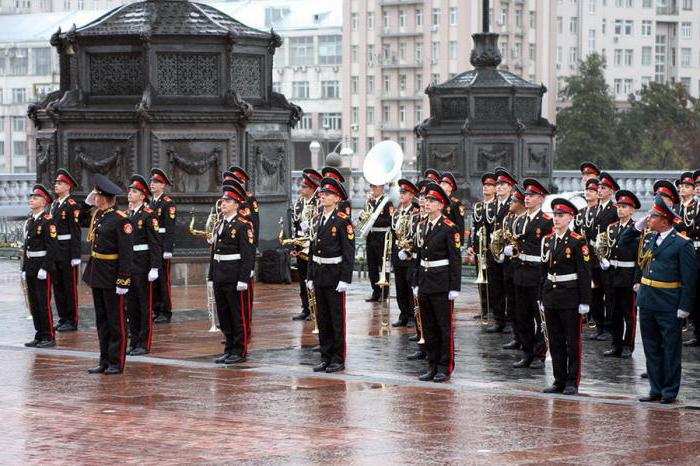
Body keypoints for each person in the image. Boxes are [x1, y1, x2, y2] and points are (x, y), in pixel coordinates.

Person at [635, 195, 697, 404]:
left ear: (664, 220)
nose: (649, 219)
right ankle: (656, 388)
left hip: (669, 302)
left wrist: (685, 307)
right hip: (647, 301)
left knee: (669, 349)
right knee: (651, 348)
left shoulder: (681, 243)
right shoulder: (649, 238)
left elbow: (689, 278)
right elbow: (625, 243)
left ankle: (669, 391)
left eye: (652, 216)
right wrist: (637, 226)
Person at [82, 174, 133, 374]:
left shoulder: (120, 220)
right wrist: (86, 205)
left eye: (96, 196)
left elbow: (126, 253)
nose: (94, 198)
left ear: (104, 198)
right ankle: (104, 359)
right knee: (102, 320)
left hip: (112, 275)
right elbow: (79, 220)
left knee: (116, 320)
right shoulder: (99, 215)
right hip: (97, 273)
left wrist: (123, 279)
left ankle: (116, 361)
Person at [541, 198, 591, 395]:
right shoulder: (548, 240)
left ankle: (572, 381)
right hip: (551, 295)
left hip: (570, 295)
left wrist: (585, 301)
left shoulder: (578, 241)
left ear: (570, 218)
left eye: (561, 216)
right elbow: (543, 270)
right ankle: (559, 379)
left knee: (572, 341)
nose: (556, 219)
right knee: (555, 341)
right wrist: (541, 295)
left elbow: (585, 273)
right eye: (555, 215)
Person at [413, 182, 462, 382]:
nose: (427, 203)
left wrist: (454, 287)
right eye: (426, 200)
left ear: (441, 205)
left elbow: (455, 259)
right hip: (425, 280)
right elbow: (418, 255)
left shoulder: (449, 228)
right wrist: (415, 281)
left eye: (432, 201)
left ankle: (444, 366)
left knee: (443, 327)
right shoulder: (421, 225)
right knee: (428, 327)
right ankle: (432, 365)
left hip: (441, 282)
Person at [307, 177, 355, 373]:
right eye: (322, 194)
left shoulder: (343, 221)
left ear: (337, 198)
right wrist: (310, 275)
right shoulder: (318, 218)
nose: (322, 196)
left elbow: (348, 252)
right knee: (323, 318)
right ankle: (325, 356)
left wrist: (345, 278)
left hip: (335, 275)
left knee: (336, 318)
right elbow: (312, 249)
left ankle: (338, 358)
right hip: (319, 273)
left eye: (327, 194)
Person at [208, 181, 256, 364]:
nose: (223, 204)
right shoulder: (220, 223)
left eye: (227, 201)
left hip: (235, 275)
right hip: (221, 274)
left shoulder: (243, 224)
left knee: (238, 314)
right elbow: (214, 252)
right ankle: (229, 348)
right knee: (224, 314)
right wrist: (211, 275)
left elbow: (248, 254)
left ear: (237, 204)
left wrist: (244, 278)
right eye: (222, 201)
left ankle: (239, 350)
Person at [506, 178, 551, 369]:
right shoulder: (519, 220)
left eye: (532, 196)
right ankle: (526, 351)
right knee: (521, 316)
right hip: (520, 273)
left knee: (539, 316)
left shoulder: (546, 221)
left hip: (537, 273)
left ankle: (539, 354)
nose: (527, 198)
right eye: (526, 195)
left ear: (541, 199)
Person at [600, 190, 641, 359]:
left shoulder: (637, 229)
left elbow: (639, 257)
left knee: (628, 314)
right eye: (619, 206)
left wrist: (637, 279)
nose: (620, 210)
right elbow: (605, 248)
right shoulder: (611, 227)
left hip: (627, 275)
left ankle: (627, 345)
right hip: (612, 276)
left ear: (632, 210)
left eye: (624, 207)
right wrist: (603, 259)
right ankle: (616, 344)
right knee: (613, 313)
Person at [125, 175, 161, 356]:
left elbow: (155, 243)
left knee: (144, 305)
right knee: (131, 306)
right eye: (130, 191)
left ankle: (143, 343)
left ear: (143, 196)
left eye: (134, 192)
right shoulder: (128, 214)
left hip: (143, 264)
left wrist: (155, 267)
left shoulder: (148, 215)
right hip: (130, 265)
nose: (130, 194)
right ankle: (134, 340)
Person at [23, 184, 58, 348]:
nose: (32, 200)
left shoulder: (48, 221)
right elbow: (26, 246)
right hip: (30, 265)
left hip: (41, 266)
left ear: (44, 202)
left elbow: (52, 247)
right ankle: (39, 334)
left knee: (43, 302)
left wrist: (45, 268)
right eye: (31, 197)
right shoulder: (31, 220)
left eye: (35, 197)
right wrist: (24, 268)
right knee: (34, 302)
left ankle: (49, 335)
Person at [484, 168, 516, 333]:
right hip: (493, 250)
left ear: (510, 187)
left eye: (503, 184)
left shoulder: (514, 204)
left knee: (509, 286)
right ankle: (498, 319)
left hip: (509, 251)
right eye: (497, 184)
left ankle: (511, 320)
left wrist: (508, 248)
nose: (499, 187)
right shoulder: (491, 205)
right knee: (495, 286)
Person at [50, 169, 82, 332]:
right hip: (56, 251)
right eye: (56, 182)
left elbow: (75, 232)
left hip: (67, 251)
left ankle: (72, 319)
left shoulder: (72, 206)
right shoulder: (55, 204)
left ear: (68, 186)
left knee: (69, 287)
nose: (56, 185)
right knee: (58, 286)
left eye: (60, 183)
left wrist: (75, 255)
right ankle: (63, 317)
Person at [228, 166, 258, 336]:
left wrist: (251, 260)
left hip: (243, 252)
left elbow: (254, 229)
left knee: (244, 298)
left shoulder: (247, 201)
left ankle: (244, 327)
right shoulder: (225, 203)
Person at [590, 171, 619, 341]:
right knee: (595, 292)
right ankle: (599, 325)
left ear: (611, 191)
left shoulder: (614, 209)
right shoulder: (593, 209)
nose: (599, 190)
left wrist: (607, 256)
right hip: (594, 256)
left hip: (607, 257)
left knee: (609, 293)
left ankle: (609, 327)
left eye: (604, 188)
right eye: (599, 187)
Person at [291, 169, 320, 321]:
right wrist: (294, 247)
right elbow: (295, 225)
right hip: (301, 245)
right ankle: (306, 308)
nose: (301, 189)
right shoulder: (299, 203)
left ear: (312, 188)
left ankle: (315, 308)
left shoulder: (319, 202)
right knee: (303, 279)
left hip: (313, 246)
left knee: (312, 278)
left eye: (304, 187)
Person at [467, 173, 497, 320]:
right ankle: (484, 307)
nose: (486, 188)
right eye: (485, 185)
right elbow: (473, 226)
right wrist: (470, 244)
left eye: (490, 185)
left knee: (492, 280)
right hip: (479, 247)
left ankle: (493, 308)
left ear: (495, 189)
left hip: (491, 248)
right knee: (481, 280)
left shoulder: (496, 205)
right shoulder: (478, 205)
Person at [391, 179, 420, 327]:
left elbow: (415, 235)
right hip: (398, 254)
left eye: (405, 192)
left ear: (412, 195)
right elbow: (393, 235)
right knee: (400, 286)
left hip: (409, 256)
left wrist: (408, 251)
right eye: (400, 192)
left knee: (409, 285)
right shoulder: (396, 214)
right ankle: (403, 314)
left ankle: (411, 316)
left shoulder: (416, 214)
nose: (401, 195)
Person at [500, 185, 526, 351]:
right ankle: (517, 337)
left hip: (522, 267)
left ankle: (525, 339)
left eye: (514, 200)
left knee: (523, 308)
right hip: (509, 266)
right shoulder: (509, 218)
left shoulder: (525, 219)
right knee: (512, 305)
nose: (511, 202)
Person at [149, 168, 176, 324]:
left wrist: (168, 249)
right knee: (154, 280)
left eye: (156, 182)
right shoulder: (151, 202)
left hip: (161, 245)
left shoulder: (167, 203)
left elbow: (170, 228)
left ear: (163, 185)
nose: (152, 184)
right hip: (152, 245)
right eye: (152, 181)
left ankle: (165, 310)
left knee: (163, 280)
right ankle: (156, 308)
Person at [364, 183, 393, 302]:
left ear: (382, 188)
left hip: (382, 237)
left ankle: (384, 293)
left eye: (376, 187)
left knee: (383, 267)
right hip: (371, 237)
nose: (374, 189)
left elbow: (389, 220)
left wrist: (373, 219)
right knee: (372, 266)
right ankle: (375, 291)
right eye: (372, 187)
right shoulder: (369, 202)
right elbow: (364, 218)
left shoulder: (387, 202)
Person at [440, 172, 465, 245]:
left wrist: (459, 243)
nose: (441, 186)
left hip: (450, 238)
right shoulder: (438, 201)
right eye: (440, 184)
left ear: (450, 187)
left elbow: (460, 224)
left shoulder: (456, 203)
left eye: (444, 184)